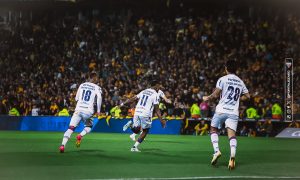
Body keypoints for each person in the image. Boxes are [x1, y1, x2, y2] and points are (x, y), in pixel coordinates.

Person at [203, 60, 250, 170]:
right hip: (233, 112)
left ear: (226, 68)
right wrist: (238, 98)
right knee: (232, 136)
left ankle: (216, 151)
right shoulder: (240, 81)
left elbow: (216, 94)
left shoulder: (222, 79)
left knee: (213, 129)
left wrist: (207, 98)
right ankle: (232, 156)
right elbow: (248, 96)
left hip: (221, 110)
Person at [59, 72, 102, 153]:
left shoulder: (82, 85)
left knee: (70, 129)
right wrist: (99, 111)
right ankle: (80, 135)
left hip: (78, 109)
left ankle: (62, 145)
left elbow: (76, 98)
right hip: (88, 111)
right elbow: (99, 98)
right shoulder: (97, 87)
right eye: (97, 78)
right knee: (89, 126)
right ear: (95, 78)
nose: (98, 80)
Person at [121, 79, 166, 152]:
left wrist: (123, 104)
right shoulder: (155, 95)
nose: (159, 87)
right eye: (158, 85)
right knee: (145, 131)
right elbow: (157, 109)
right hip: (146, 113)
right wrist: (161, 121)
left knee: (137, 130)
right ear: (156, 85)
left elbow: (133, 99)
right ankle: (134, 147)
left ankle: (131, 125)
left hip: (137, 111)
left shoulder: (143, 91)